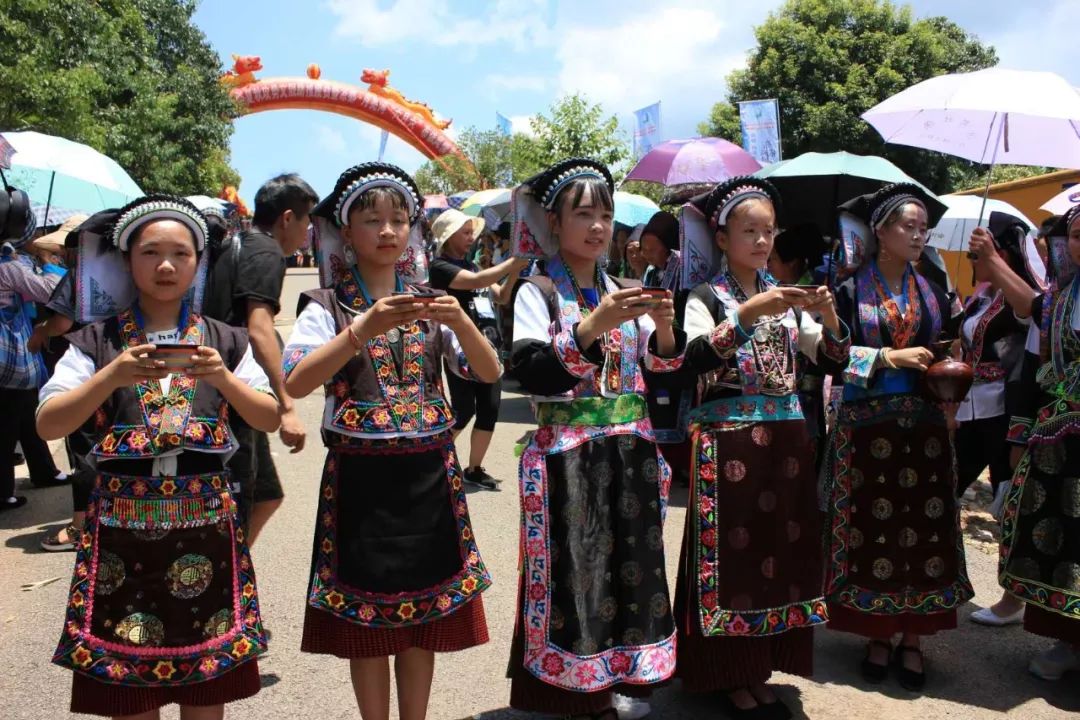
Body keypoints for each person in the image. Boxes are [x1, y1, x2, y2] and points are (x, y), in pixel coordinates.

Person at [39, 195, 279, 718]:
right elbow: (49, 421)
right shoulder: (95, 342)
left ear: (199, 262)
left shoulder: (226, 341)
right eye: (150, 253)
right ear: (127, 260)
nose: (166, 266)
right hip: (122, 531)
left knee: (206, 684)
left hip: (207, 527)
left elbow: (268, 417)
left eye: (180, 253)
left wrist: (223, 379)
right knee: (131, 687)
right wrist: (111, 377)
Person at [282, 163, 498, 720]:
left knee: (425, 617)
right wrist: (362, 328)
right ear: (344, 231)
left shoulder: (431, 302)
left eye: (399, 219)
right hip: (362, 479)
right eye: (371, 219)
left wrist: (462, 320)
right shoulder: (324, 305)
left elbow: (489, 373)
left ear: (413, 231)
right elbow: (297, 379)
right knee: (368, 621)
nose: (387, 231)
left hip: (430, 474)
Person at [507, 158, 684, 720]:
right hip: (571, 458)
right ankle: (576, 694)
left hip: (629, 452)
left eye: (605, 214)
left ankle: (614, 682)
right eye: (583, 213)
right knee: (576, 576)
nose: (598, 226)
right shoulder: (536, 290)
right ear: (554, 222)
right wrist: (591, 326)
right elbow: (532, 373)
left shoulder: (628, 289)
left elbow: (660, 369)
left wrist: (663, 327)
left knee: (629, 575)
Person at [672, 178, 849, 718]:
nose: (761, 241)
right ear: (722, 238)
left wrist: (829, 316)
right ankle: (727, 672)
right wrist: (749, 315)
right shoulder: (703, 298)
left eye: (768, 231)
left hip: (785, 447)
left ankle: (760, 666)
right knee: (732, 562)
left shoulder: (785, 299)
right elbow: (693, 361)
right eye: (749, 230)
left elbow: (830, 358)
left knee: (779, 557)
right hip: (729, 451)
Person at [822, 183, 971, 691]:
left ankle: (914, 637)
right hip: (867, 430)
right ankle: (877, 633)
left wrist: (950, 372)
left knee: (924, 529)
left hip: (925, 429)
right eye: (908, 225)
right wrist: (888, 357)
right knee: (872, 529)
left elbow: (948, 343)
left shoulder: (933, 282)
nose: (918, 233)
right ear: (881, 233)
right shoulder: (846, 288)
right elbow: (833, 359)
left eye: (922, 225)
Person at [976, 205, 1080, 680]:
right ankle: (1068, 641)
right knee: (1061, 542)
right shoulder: (1062, 299)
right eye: (1078, 235)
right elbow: (1032, 311)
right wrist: (994, 261)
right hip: (1059, 442)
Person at [203, 173, 318, 544]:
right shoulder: (267, 252)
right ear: (287, 218)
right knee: (238, 501)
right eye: (306, 221)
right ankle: (227, 579)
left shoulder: (240, 242)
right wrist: (286, 405)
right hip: (235, 391)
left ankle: (235, 568)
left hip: (227, 385)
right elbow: (259, 328)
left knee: (267, 496)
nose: (307, 232)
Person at [427, 208, 528, 489]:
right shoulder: (441, 267)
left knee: (489, 408)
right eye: (466, 232)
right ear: (449, 237)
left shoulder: (473, 266)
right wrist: (510, 263)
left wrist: (515, 272)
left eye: (472, 231)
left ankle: (473, 468)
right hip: (458, 347)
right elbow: (475, 283)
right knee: (462, 410)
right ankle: (433, 456)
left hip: (488, 344)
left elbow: (500, 296)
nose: (472, 237)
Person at [0, 193, 66, 512]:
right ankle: (2, 492)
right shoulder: (9, 266)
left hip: (12, 353)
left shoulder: (9, 259)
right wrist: (48, 260)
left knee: (25, 412)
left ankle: (43, 470)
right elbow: (52, 291)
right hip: (8, 354)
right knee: (7, 421)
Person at [638, 211, 682, 292]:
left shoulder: (682, 273)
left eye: (651, 250)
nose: (646, 255)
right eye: (643, 249)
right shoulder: (651, 272)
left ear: (667, 247)